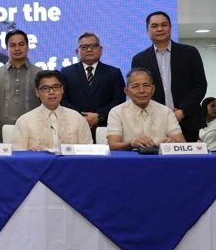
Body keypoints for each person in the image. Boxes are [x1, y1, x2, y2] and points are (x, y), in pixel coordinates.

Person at [131, 11, 207, 142]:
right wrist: (161, 113)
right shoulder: (139, 59)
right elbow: (139, 90)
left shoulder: (190, 52)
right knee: (154, 155)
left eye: (164, 25)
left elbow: (200, 85)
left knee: (188, 155)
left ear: (170, 28)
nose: (160, 29)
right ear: (147, 31)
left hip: (187, 119)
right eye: (154, 26)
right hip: (153, 121)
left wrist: (182, 111)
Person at [61, 32, 125, 139]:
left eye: (94, 46)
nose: (89, 50)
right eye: (84, 47)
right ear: (77, 51)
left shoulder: (113, 73)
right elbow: (62, 100)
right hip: (74, 128)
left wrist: (99, 116)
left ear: (101, 50)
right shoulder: (66, 73)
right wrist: (81, 117)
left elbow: (119, 101)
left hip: (105, 128)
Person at [12, 70, 93, 151]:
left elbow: (89, 150)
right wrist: (28, 152)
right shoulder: (24, 121)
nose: (51, 92)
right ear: (37, 92)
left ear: (62, 89)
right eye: (45, 88)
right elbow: (17, 152)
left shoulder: (77, 118)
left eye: (56, 87)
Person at [107, 67, 185, 150]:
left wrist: (173, 142)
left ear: (153, 89)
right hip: (129, 157)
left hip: (159, 157)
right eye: (135, 86)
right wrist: (131, 143)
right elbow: (112, 145)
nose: (141, 90)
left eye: (146, 85)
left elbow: (183, 143)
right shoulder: (116, 112)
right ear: (126, 91)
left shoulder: (166, 112)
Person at [0, 29, 40, 138]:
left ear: (28, 47)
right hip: (1, 132)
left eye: (21, 44)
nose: (17, 48)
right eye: (12, 45)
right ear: (7, 48)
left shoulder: (39, 74)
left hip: (34, 132)